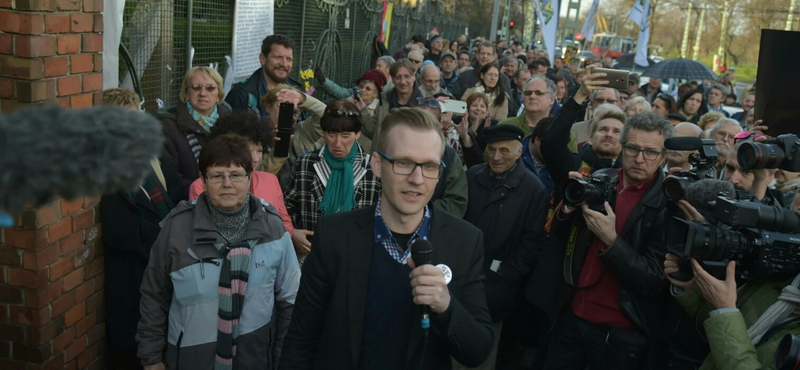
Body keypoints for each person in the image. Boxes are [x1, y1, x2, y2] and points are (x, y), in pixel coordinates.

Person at [279, 108, 494, 369]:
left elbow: (478, 351)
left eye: (429, 166)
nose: (417, 180)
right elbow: (301, 339)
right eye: (403, 162)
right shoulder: (334, 235)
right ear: (377, 165)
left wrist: (446, 307)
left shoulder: (465, 241)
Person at [137, 134, 301, 370]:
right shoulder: (177, 230)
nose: (227, 184)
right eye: (216, 176)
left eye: (235, 175)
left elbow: (290, 301)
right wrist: (152, 359)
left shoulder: (272, 228)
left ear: (249, 178)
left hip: (254, 359)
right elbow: (154, 295)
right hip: (191, 360)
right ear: (203, 179)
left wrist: (284, 359)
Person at [542, 112, 675, 370]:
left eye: (650, 152)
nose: (639, 159)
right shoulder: (604, 177)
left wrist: (611, 241)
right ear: (622, 147)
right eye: (633, 148)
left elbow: (654, 280)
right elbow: (558, 233)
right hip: (571, 316)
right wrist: (569, 204)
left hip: (619, 335)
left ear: (663, 158)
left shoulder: (667, 205)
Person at [101, 88, 183, 370]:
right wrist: (170, 239)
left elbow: (177, 186)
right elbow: (120, 230)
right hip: (133, 277)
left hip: (161, 264)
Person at [664, 204, 800, 370]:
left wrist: (725, 310)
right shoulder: (784, 283)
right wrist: (695, 286)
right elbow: (719, 330)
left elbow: (727, 319)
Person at [458, 124, 548, 370]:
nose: (496, 157)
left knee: (483, 352)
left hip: (498, 289)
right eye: (492, 150)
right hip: (462, 277)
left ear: (519, 152)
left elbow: (533, 244)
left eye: (504, 151)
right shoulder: (472, 176)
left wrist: (505, 274)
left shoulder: (533, 189)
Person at [283, 100, 381, 262]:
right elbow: (287, 209)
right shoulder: (306, 164)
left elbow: (383, 217)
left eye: (345, 136)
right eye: (331, 134)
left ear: (357, 134)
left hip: (357, 260)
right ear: (323, 132)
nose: (337, 143)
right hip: (311, 260)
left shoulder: (373, 169)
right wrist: (292, 232)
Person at [187, 110, 294, 235]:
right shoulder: (199, 186)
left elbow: (286, 223)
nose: (255, 158)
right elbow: (201, 227)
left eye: (259, 150)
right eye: (248, 151)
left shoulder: (270, 180)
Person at [159, 66, 231, 200]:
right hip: (189, 203)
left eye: (210, 88)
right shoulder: (167, 126)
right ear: (186, 93)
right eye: (196, 87)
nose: (203, 93)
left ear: (219, 95)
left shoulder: (232, 123)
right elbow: (172, 179)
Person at [411, 96, 470, 217]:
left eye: (428, 122)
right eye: (415, 121)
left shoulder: (449, 157)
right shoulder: (395, 150)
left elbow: (456, 202)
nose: (421, 127)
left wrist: (420, 212)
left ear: (440, 124)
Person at [257, 84, 326, 184]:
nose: (288, 116)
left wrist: (302, 99)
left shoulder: (302, 133)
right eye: (284, 109)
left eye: (294, 113)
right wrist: (277, 150)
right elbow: (258, 179)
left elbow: (326, 117)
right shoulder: (254, 137)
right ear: (268, 107)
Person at [226, 35, 304, 118]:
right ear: (262, 59)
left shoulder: (297, 92)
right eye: (278, 57)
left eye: (289, 59)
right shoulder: (242, 95)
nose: (284, 64)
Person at [358, 59, 423, 154]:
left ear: (414, 76)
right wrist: (363, 110)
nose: (402, 81)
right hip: (383, 158)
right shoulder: (384, 99)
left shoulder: (423, 103)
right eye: (398, 77)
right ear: (392, 79)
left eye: (407, 76)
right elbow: (373, 132)